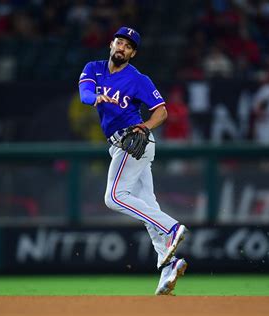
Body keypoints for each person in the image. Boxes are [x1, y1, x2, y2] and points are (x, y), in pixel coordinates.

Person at [78, 26, 188, 295]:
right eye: (119, 42)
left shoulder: (138, 78)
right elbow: (85, 95)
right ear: (111, 44)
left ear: (133, 53)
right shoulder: (93, 68)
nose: (122, 48)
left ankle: (172, 227)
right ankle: (169, 265)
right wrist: (96, 98)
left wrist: (146, 127)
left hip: (133, 141)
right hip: (119, 145)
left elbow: (161, 112)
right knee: (147, 205)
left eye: (128, 46)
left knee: (114, 197)